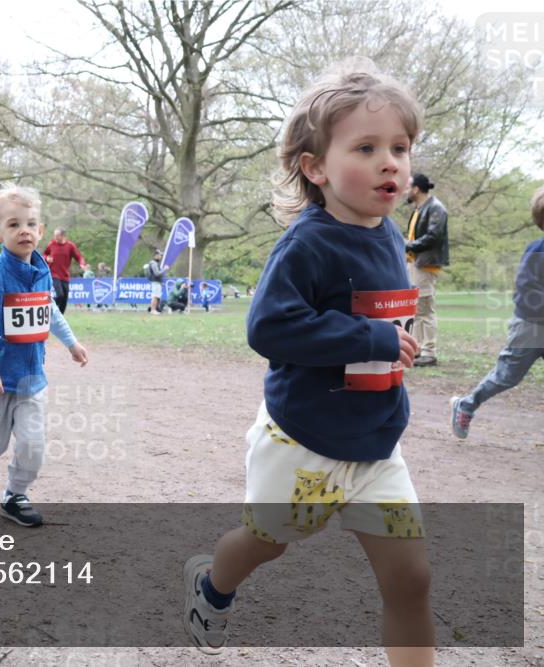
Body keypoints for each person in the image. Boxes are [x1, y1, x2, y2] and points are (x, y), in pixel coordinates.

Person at [182, 62, 432, 667]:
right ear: (316, 167)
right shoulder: (307, 243)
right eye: (366, 147)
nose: (390, 162)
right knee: (267, 544)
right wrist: (370, 339)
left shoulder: (389, 233)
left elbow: (379, 326)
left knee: (411, 579)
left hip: (375, 447)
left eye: (400, 148)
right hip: (305, 445)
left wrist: (394, 341)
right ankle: (212, 585)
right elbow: (268, 326)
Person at [0, 183, 88, 527]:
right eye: (13, 224)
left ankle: (15, 494)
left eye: (30, 224)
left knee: (33, 446)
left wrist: (71, 342)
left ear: (40, 230)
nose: (23, 230)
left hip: (31, 380)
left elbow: (49, 310)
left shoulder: (41, 272)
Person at [451, 185, 544, 439]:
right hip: (530, 327)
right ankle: (466, 404)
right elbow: (526, 291)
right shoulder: (537, 251)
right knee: (506, 377)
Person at [404, 172, 449, 367]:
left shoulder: (436, 208)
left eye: (408, 187)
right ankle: (417, 349)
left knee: (425, 309)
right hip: (415, 264)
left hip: (425, 264)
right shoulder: (419, 208)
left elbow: (433, 237)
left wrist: (408, 245)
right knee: (415, 309)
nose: (405, 190)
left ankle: (429, 352)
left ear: (416, 189)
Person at [43, 228, 85, 314]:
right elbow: (44, 254)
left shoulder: (70, 246)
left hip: (65, 275)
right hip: (54, 274)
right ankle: (47, 306)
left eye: (57, 235)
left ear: (63, 236)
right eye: (54, 235)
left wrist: (82, 264)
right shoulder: (52, 244)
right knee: (60, 294)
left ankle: (60, 315)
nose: (55, 237)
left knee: (65, 299)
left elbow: (79, 257)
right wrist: (47, 258)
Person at [144, 249, 169, 314]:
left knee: (157, 296)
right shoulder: (154, 263)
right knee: (155, 296)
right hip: (155, 282)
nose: (161, 256)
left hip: (157, 282)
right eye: (160, 255)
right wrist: (164, 269)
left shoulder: (156, 263)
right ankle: (153, 310)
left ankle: (154, 309)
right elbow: (157, 273)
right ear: (155, 256)